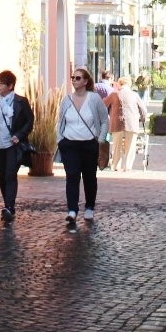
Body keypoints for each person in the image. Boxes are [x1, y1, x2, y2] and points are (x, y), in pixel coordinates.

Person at [56, 68, 108, 224]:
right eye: (73, 77)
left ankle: (90, 207)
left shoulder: (94, 99)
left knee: (89, 177)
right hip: (70, 144)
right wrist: (61, 139)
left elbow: (105, 119)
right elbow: (60, 121)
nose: (74, 80)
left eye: (78, 78)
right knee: (71, 176)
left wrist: (101, 138)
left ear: (85, 81)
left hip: (89, 144)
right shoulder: (66, 100)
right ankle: (72, 210)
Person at [0, 70, 34, 222]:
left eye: (2, 84)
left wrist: (19, 135)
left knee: (10, 175)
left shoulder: (20, 102)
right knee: (1, 176)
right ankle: (8, 204)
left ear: (10, 86)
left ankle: (9, 207)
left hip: (13, 145)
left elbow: (29, 121)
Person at [108, 76, 147, 171]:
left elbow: (103, 105)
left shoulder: (114, 94)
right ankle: (127, 167)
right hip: (131, 123)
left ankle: (116, 166)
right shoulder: (135, 95)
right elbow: (143, 110)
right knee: (130, 146)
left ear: (119, 84)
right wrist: (143, 119)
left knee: (116, 145)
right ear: (129, 84)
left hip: (117, 123)